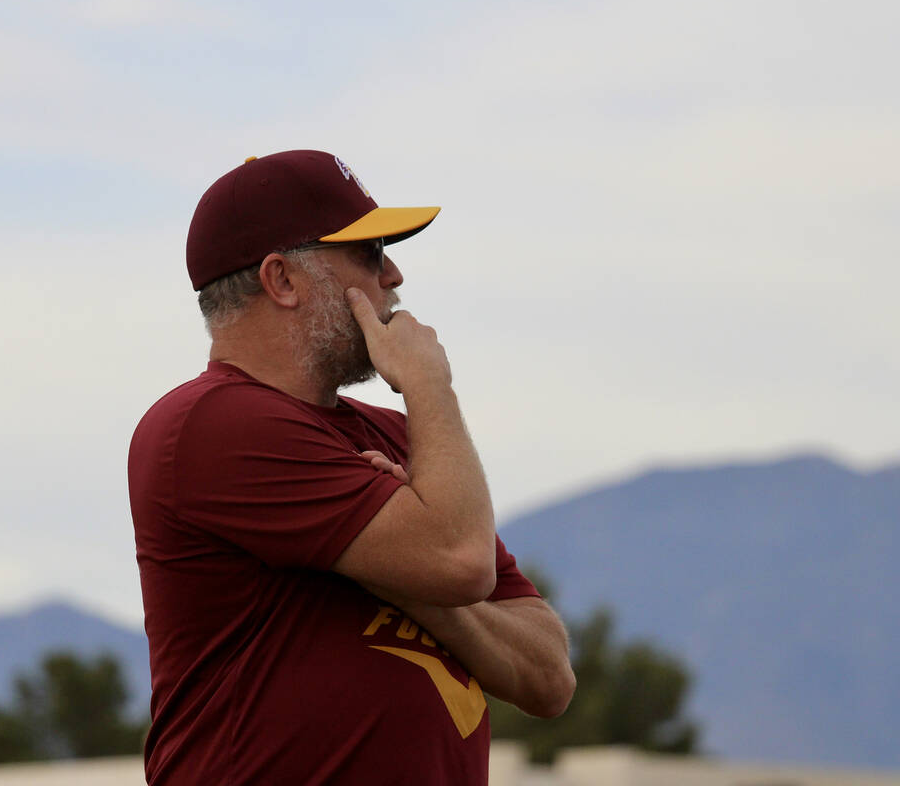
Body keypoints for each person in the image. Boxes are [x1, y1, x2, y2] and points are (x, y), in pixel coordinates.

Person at [128, 149, 575, 785]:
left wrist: (411, 584)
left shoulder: (393, 434)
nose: (393, 274)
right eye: (369, 253)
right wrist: (430, 385)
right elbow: (461, 561)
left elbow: (549, 675)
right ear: (282, 280)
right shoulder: (212, 423)